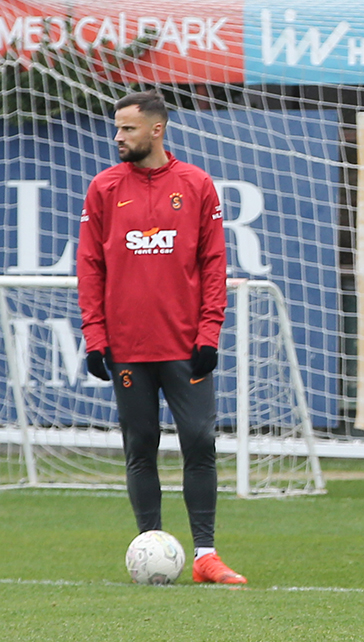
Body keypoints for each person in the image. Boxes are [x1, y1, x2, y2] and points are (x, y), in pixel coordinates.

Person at [77, 90, 246, 584]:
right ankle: (149, 545)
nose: (117, 137)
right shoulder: (104, 188)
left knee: (199, 442)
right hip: (128, 346)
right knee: (141, 446)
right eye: (116, 127)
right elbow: (90, 268)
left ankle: (205, 556)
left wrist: (210, 333)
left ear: (156, 129)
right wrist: (95, 336)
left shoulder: (196, 184)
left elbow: (214, 263)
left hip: (185, 345)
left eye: (127, 128)